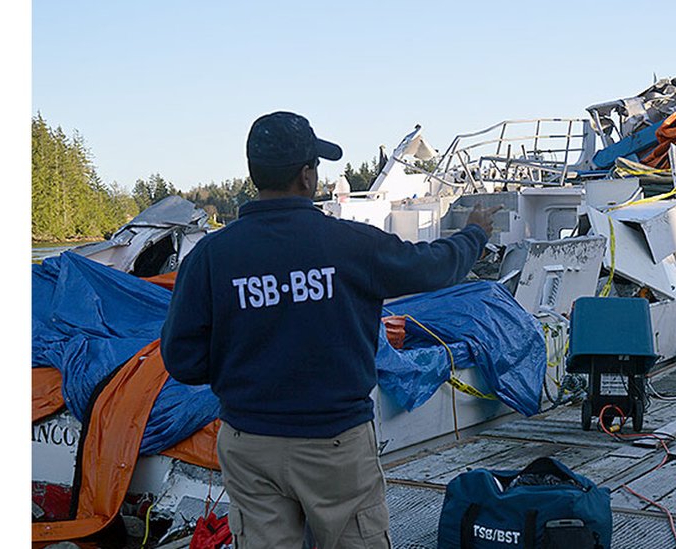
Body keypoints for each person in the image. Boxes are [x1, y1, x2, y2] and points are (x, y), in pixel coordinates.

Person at [160, 111, 499, 548]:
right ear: (305, 176)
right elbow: (434, 267)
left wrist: (245, 369)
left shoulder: (209, 257)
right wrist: (473, 235)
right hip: (335, 446)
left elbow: (182, 360)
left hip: (249, 445)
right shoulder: (352, 245)